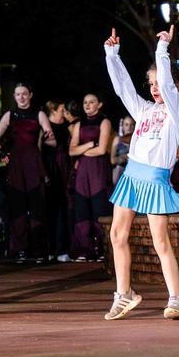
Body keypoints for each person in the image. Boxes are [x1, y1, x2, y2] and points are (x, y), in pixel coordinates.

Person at [104, 26, 179, 320]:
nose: (155, 88)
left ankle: (176, 300)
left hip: (155, 179)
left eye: (159, 82)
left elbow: (168, 86)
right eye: (151, 83)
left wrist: (162, 50)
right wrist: (112, 55)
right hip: (131, 176)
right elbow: (124, 89)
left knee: (160, 241)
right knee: (117, 235)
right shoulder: (144, 110)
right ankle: (124, 294)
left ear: (177, 84)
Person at [0, 83, 53, 262]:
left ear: (30, 95)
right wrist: (2, 152)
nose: (21, 97)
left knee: (37, 208)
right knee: (17, 209)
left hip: (33, 163)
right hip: (16, 165)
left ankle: (39, 251)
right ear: (14, 96)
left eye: (24, 94)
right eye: (18, 94)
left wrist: (48, 137)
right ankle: (20, 250)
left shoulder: (39, 114)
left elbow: (50, 138)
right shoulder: (9, 115)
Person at [69, 93, 113, 261]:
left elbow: (101, 150)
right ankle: (84, 250)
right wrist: (89, 144)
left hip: (98, 169)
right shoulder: (79, 124)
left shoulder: (105, 121)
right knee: (82, 208)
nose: (87, 105)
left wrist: (81, 150)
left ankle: (101, 249)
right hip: (83, 170)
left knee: (99, 207)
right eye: (85, 102)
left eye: (91, 102)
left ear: (99, 104)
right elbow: (71, 151)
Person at [43, 100, 73, 262]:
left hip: (64, 172)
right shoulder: (45, 128)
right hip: (49, 171)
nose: (64, 112)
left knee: (63, 211)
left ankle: (62, 249)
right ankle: (49, 249)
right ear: (53, 110)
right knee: (49, 211)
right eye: (62, 109)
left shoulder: (67, 127)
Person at [110, 115, 135, 185]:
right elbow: (112, 160)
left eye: (131, 125)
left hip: (133, 172)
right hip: (119, 171)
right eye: (126, 124)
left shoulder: (137, 140)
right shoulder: (117, 139)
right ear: (122, 126)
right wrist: (123, 157)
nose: (129, 127)